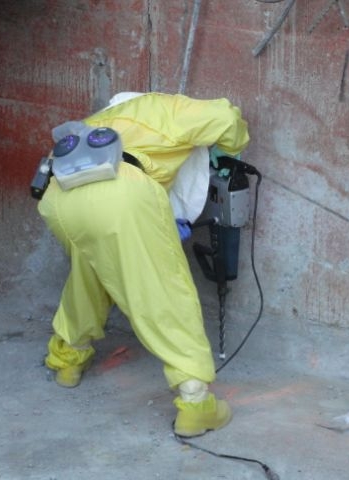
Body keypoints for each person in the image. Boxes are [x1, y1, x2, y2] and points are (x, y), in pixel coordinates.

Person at [37, 92, 250, 437]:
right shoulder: (166, 108)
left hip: (58, 198)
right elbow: (226, 119)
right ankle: (196, 404)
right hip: (121, 191)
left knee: (89, 276)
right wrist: (231, 149)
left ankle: (67, 361)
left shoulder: (105, 118)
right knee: (163, 290)